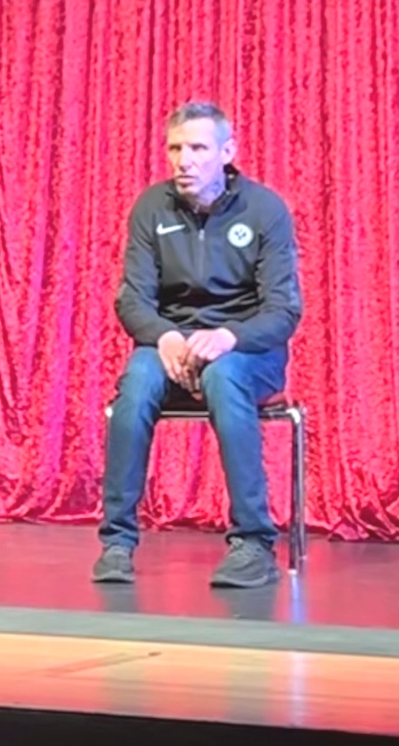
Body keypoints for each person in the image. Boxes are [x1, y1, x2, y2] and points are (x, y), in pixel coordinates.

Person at [94, 101, 302, 590]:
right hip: (171, 345)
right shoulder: (151, 207)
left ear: (226, 152)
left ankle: (253, 543)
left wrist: (230, 337)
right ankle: (117, 543)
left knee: (223, 375)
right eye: (175, 148)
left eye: (198, 148)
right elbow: (132, 300)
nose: (183, 160)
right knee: (137, 380)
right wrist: (165, 336)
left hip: (247, 350)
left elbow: (283, 311)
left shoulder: (265, 209)